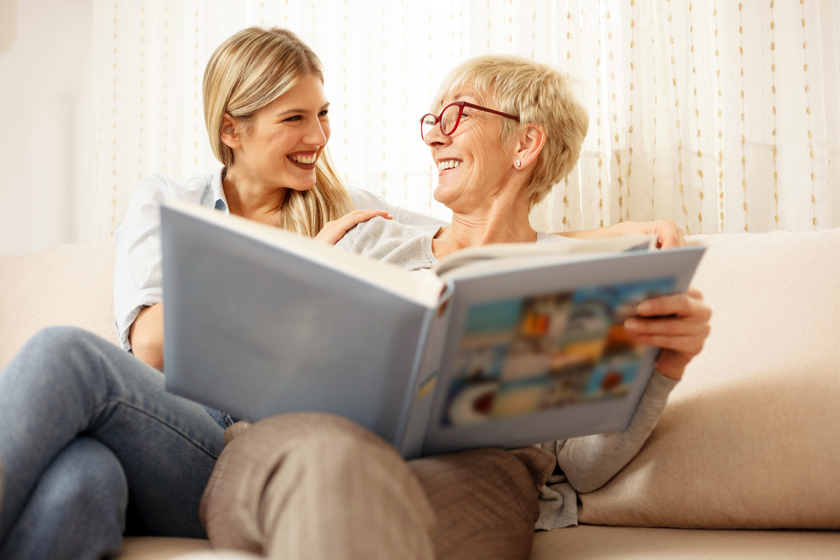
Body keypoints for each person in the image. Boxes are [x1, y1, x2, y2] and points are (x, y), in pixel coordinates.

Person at [195, 55, 712, 560]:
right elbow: (264, 382)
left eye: (456, 115)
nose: (433, 135)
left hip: (478, 470)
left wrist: (664, 369)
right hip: (309, 438)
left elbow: (581, 468)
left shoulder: (580, 283)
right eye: (432, 119)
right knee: (327, 462)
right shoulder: (368, 238)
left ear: (526, 142)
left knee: (358, 500)